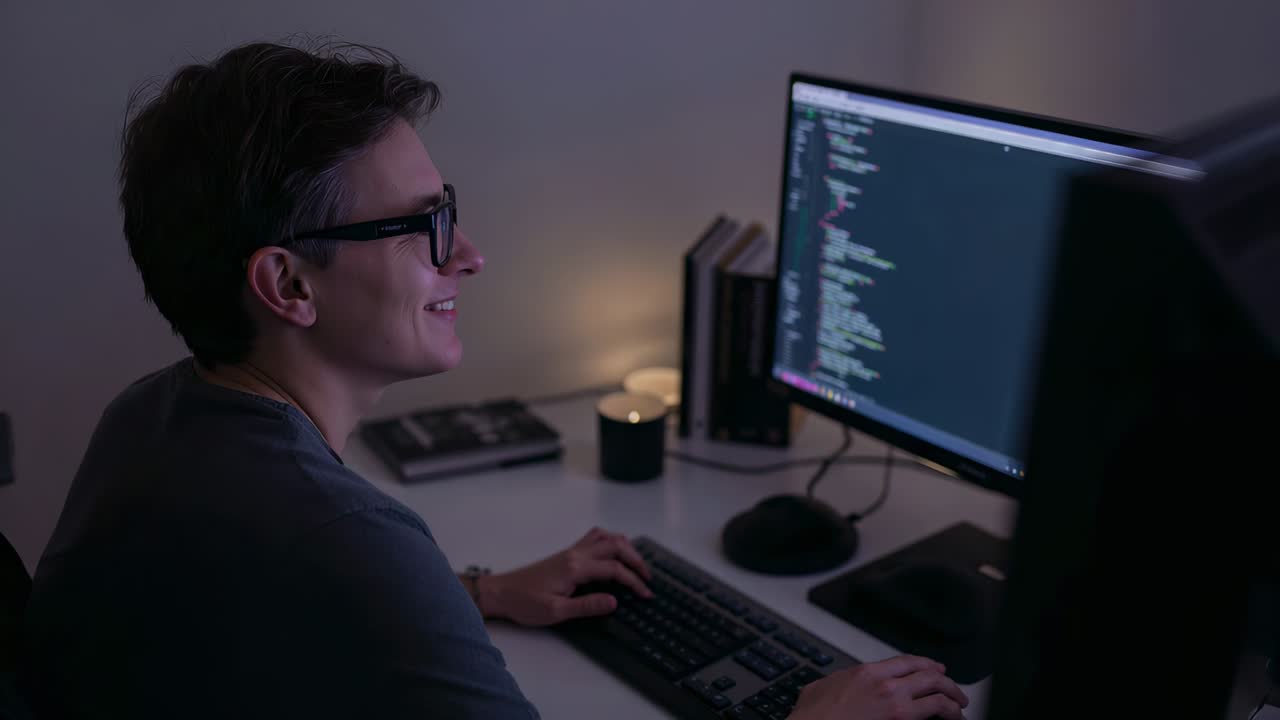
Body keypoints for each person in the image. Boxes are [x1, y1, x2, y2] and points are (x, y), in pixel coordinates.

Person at [20, 39, 970, 720]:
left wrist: (473, 593)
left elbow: (256, 615)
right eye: (426, 224)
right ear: (289, 284)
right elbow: (328, 570)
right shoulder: (347, 535)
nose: (467, 256)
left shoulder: (147, 419)